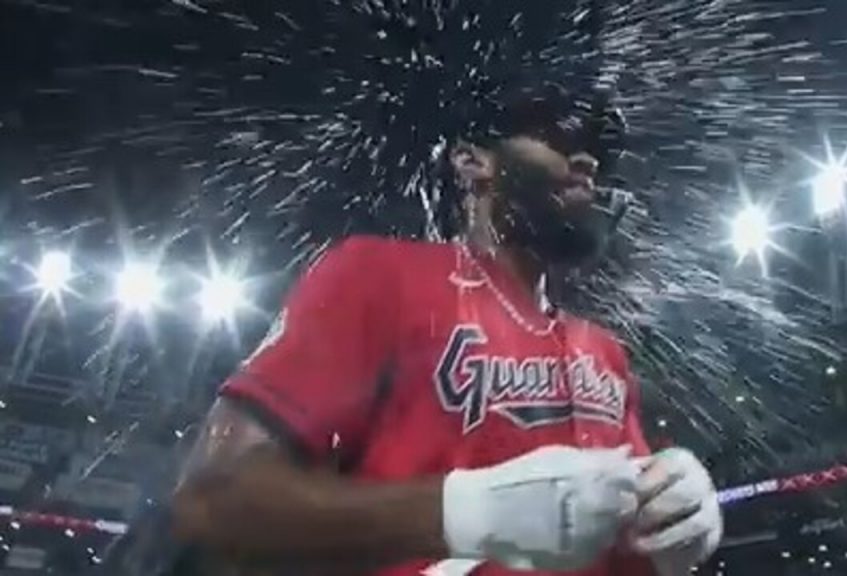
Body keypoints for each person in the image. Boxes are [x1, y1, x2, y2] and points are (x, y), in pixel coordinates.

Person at [170, 83, 722, 576]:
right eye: (555, 132)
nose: (586, 159)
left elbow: (617, 545)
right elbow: (213, 500)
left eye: (599, 151)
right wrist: (467, 512)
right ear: (471, 160)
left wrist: (675, 525)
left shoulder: (605, 353)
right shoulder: (376, 275)